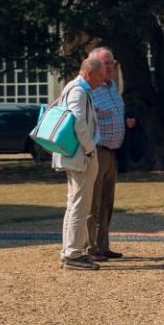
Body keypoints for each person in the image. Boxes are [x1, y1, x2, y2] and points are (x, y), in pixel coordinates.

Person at [54, 57, 106, 271]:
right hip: (80, 156)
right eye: (100, 75)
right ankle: (73, 254)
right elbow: (78, 121)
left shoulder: (73, 88)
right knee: (80, 205)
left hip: (73, 155)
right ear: (89, 73)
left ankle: (69, 251)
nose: (103, 80)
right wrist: (90, 148)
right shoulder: (78, 91)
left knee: (74, 204)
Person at [87, 47, 136, 262]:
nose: (109, 67)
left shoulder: (112, 86)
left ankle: (103, 245)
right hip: (97, 151)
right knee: (93, 201)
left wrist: (125, 122)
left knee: (107, 201)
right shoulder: (88, 89)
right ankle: (90, 247)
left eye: (112, 63)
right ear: (94, 66)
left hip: (113, 152)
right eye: (105, 63)